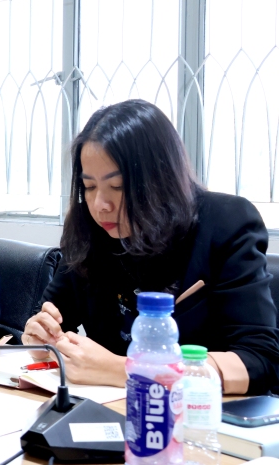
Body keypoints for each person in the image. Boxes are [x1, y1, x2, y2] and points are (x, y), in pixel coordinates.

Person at [23, 99, 279, 395]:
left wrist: (126, 370)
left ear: (160, 179)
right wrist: (40, 336)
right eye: (90, 187)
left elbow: (260, 360)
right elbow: (51, 317)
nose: (100, 205)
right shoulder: (89, 231)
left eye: (117, 187)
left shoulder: (225, 223)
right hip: (111, 408)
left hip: (197, 413)